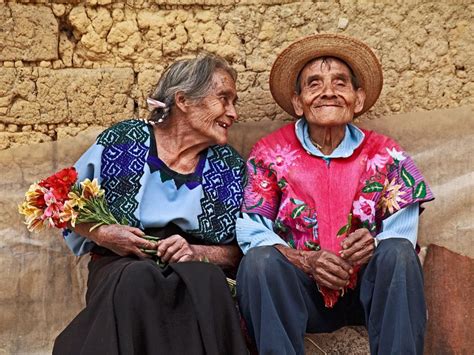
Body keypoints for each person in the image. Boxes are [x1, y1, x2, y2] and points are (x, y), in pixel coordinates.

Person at [236, 34, 434, 355]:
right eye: (314, 84)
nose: (328, 92)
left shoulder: (387, 155)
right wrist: (305, 260)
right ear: (298, 102)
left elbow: (403, 235)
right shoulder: (269, 153)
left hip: (367, 295)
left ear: (357, 98)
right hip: (299, 292)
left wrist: (374, 244)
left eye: (340, 83)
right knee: (258, 262)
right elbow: (251, 229)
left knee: (397, 252)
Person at [53, 53, 248, 355]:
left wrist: (197, 252)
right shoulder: (123, 140)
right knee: (137, 279)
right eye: (224, 99)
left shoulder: (230, 167)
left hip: (192, 264)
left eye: (234, 102)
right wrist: (104, 234)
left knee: (207, 281)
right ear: (183, 100)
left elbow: (241, 249)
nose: (232, 113)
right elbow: (60, 201)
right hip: (120, 261)